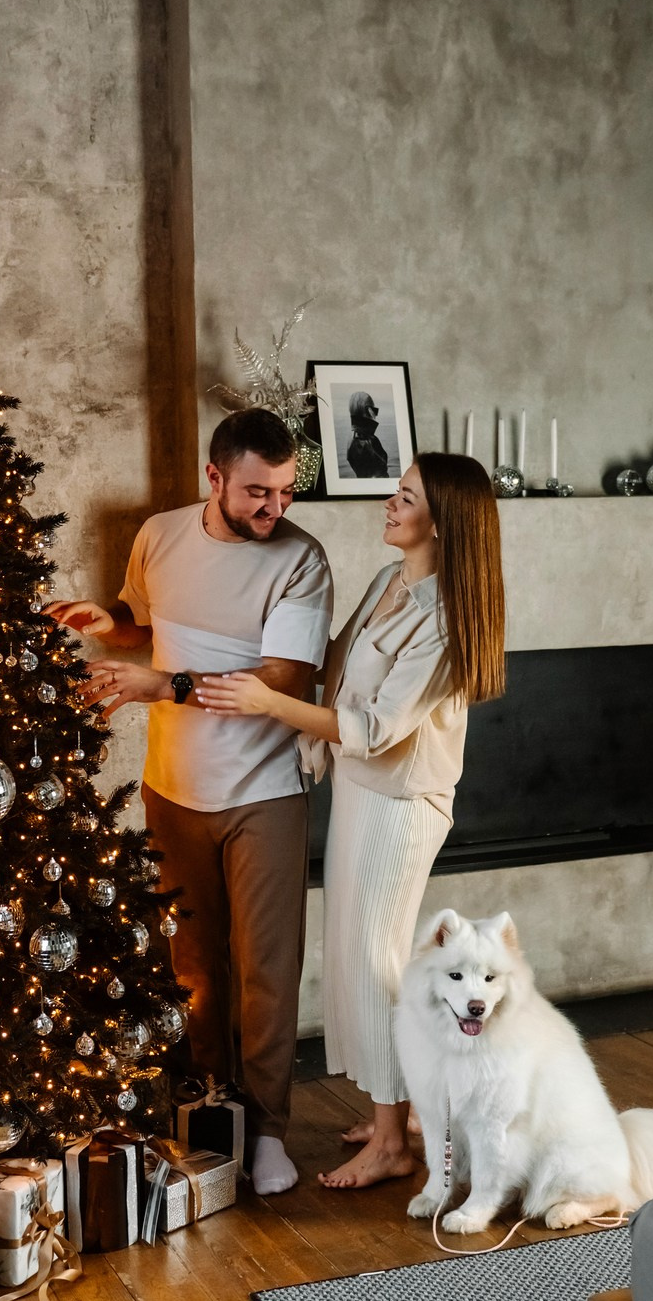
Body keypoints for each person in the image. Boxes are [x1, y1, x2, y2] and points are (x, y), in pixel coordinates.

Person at [197, 452, 504, 1189]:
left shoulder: (447, 621)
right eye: (395, 491)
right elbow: (336, 673)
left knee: (373, 963)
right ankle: (406, 1111)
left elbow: (374, 728)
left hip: (401, 801)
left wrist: (269, 705)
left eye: (405, 497)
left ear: (444, 521)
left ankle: (394, 1141)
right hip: (364, 791)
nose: (388, 504)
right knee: (372, 959)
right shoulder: (389, 582)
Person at [47, 408, 333, 1195]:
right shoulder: (159, 535)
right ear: (213, 479)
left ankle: (270, 1129)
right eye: (256, 493)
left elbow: (283, 681)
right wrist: (115, 624)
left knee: (265, 971)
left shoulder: (300, 560)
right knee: (191, 964)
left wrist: (161, 687)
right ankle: (211, 1102)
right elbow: (148, 625)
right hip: (173, 789)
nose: (274, 510)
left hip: (264, 791)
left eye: (283, 492)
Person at [346, 391, 388, 479]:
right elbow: (378, 473)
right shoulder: (365, 441)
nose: (375, 414)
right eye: (373, 409)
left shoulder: (354, 437)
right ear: (368, 410)